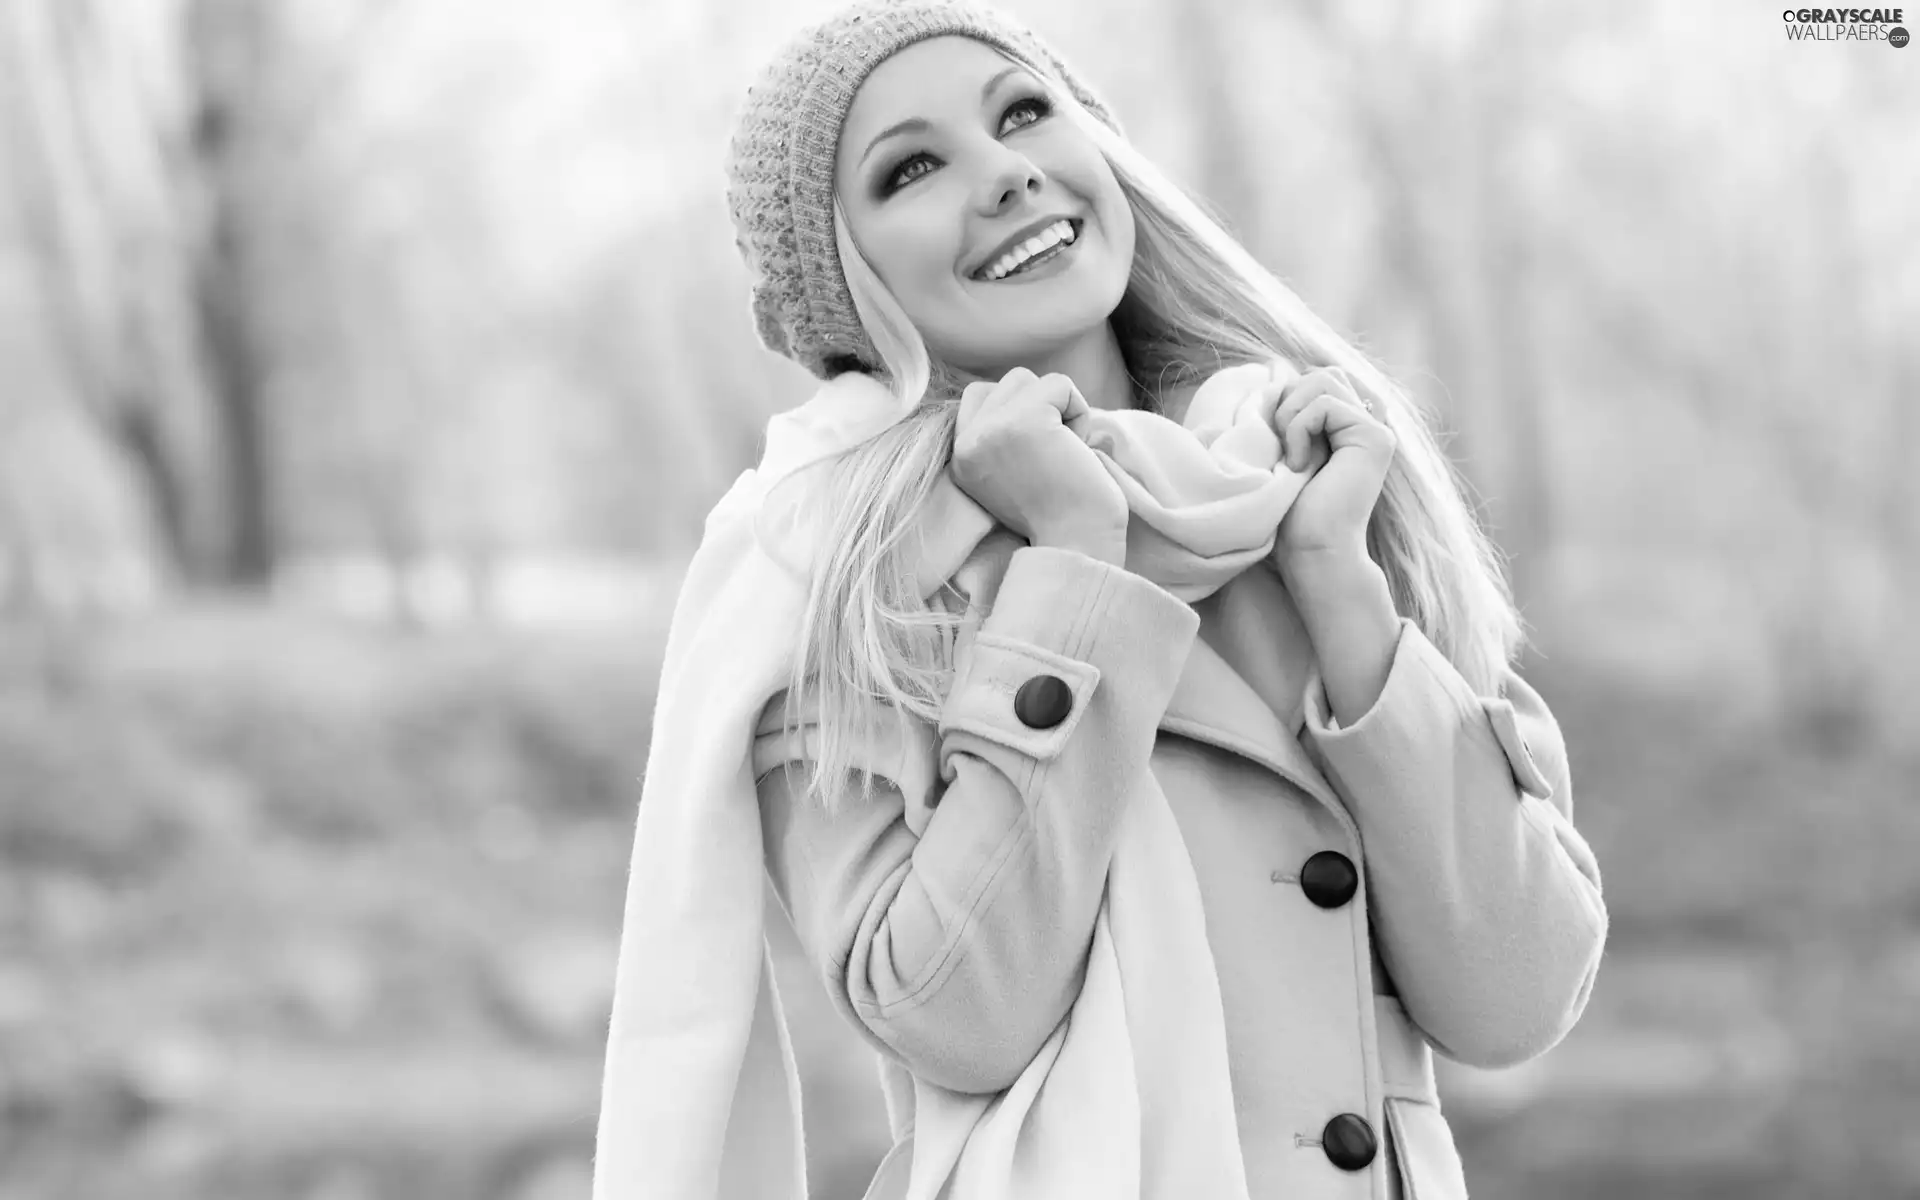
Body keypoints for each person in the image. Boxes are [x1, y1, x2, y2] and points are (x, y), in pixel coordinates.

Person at [592, 3, 1608, 1199]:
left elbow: (1516, 996)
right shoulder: (837, 587)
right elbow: (959, 1014)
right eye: (911, 168)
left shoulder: (1296, 484)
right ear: (841, 285)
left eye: (1024, 112)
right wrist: (1076, 569)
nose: (1007, 173)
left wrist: (1342, 591)